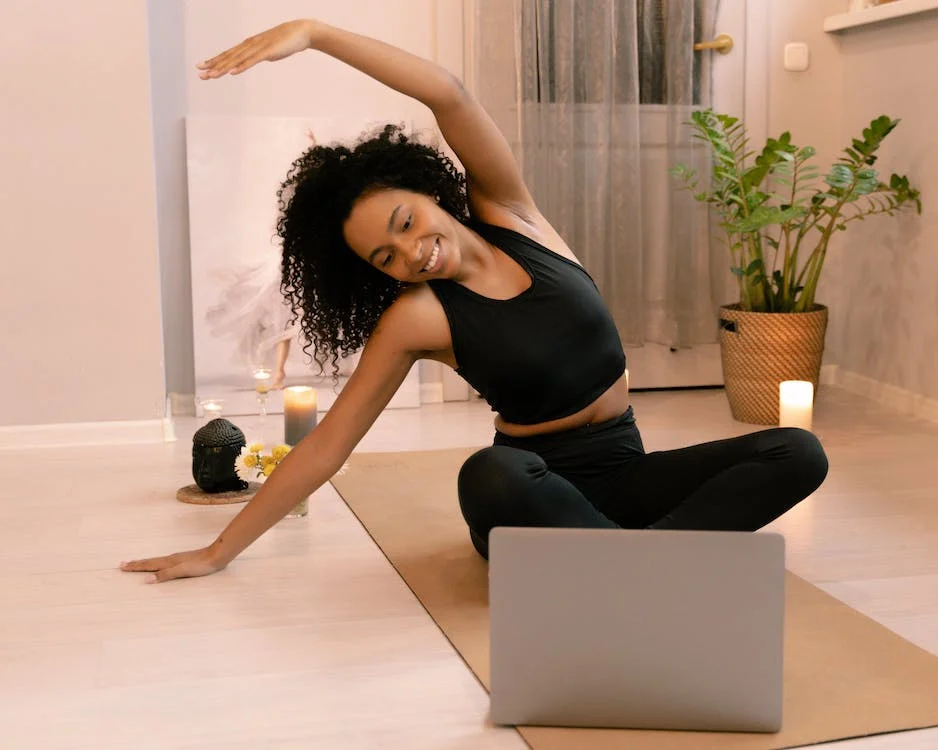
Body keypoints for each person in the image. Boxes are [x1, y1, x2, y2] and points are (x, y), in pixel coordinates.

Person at [121, 19, 828, 583]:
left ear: (425, 191)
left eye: (405, 224)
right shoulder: (417, 317)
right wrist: (219, 552)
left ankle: (628, 568)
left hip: (625, 471)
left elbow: (448, 93)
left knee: (796, 452)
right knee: (489, 470)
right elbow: (328, 446)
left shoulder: (512, 213)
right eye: (386, 259)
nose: (412, 252)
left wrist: (318, 33)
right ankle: (644, 569)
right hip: (532, 492)